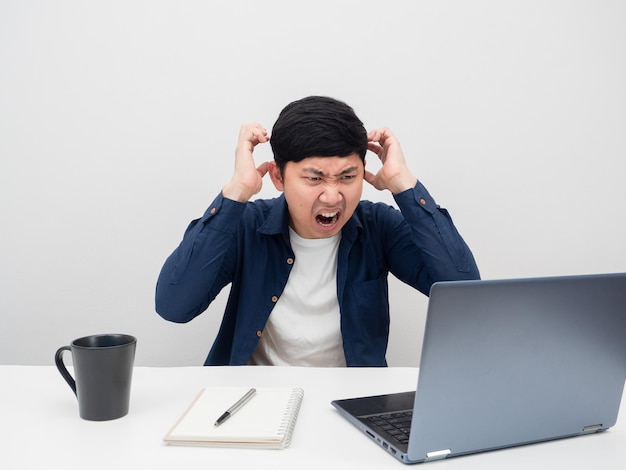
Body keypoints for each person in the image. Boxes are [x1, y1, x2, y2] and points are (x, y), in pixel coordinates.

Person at [155, 96, 480, 367]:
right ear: (279, 178)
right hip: (253, 402)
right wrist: (236, 192)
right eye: (314, 178)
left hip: (350, 406)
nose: (332, 195)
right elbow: (174, 306)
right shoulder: (247, 225)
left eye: (347, 177)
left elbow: (465, 297)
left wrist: (404, 185)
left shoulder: (378, 227)